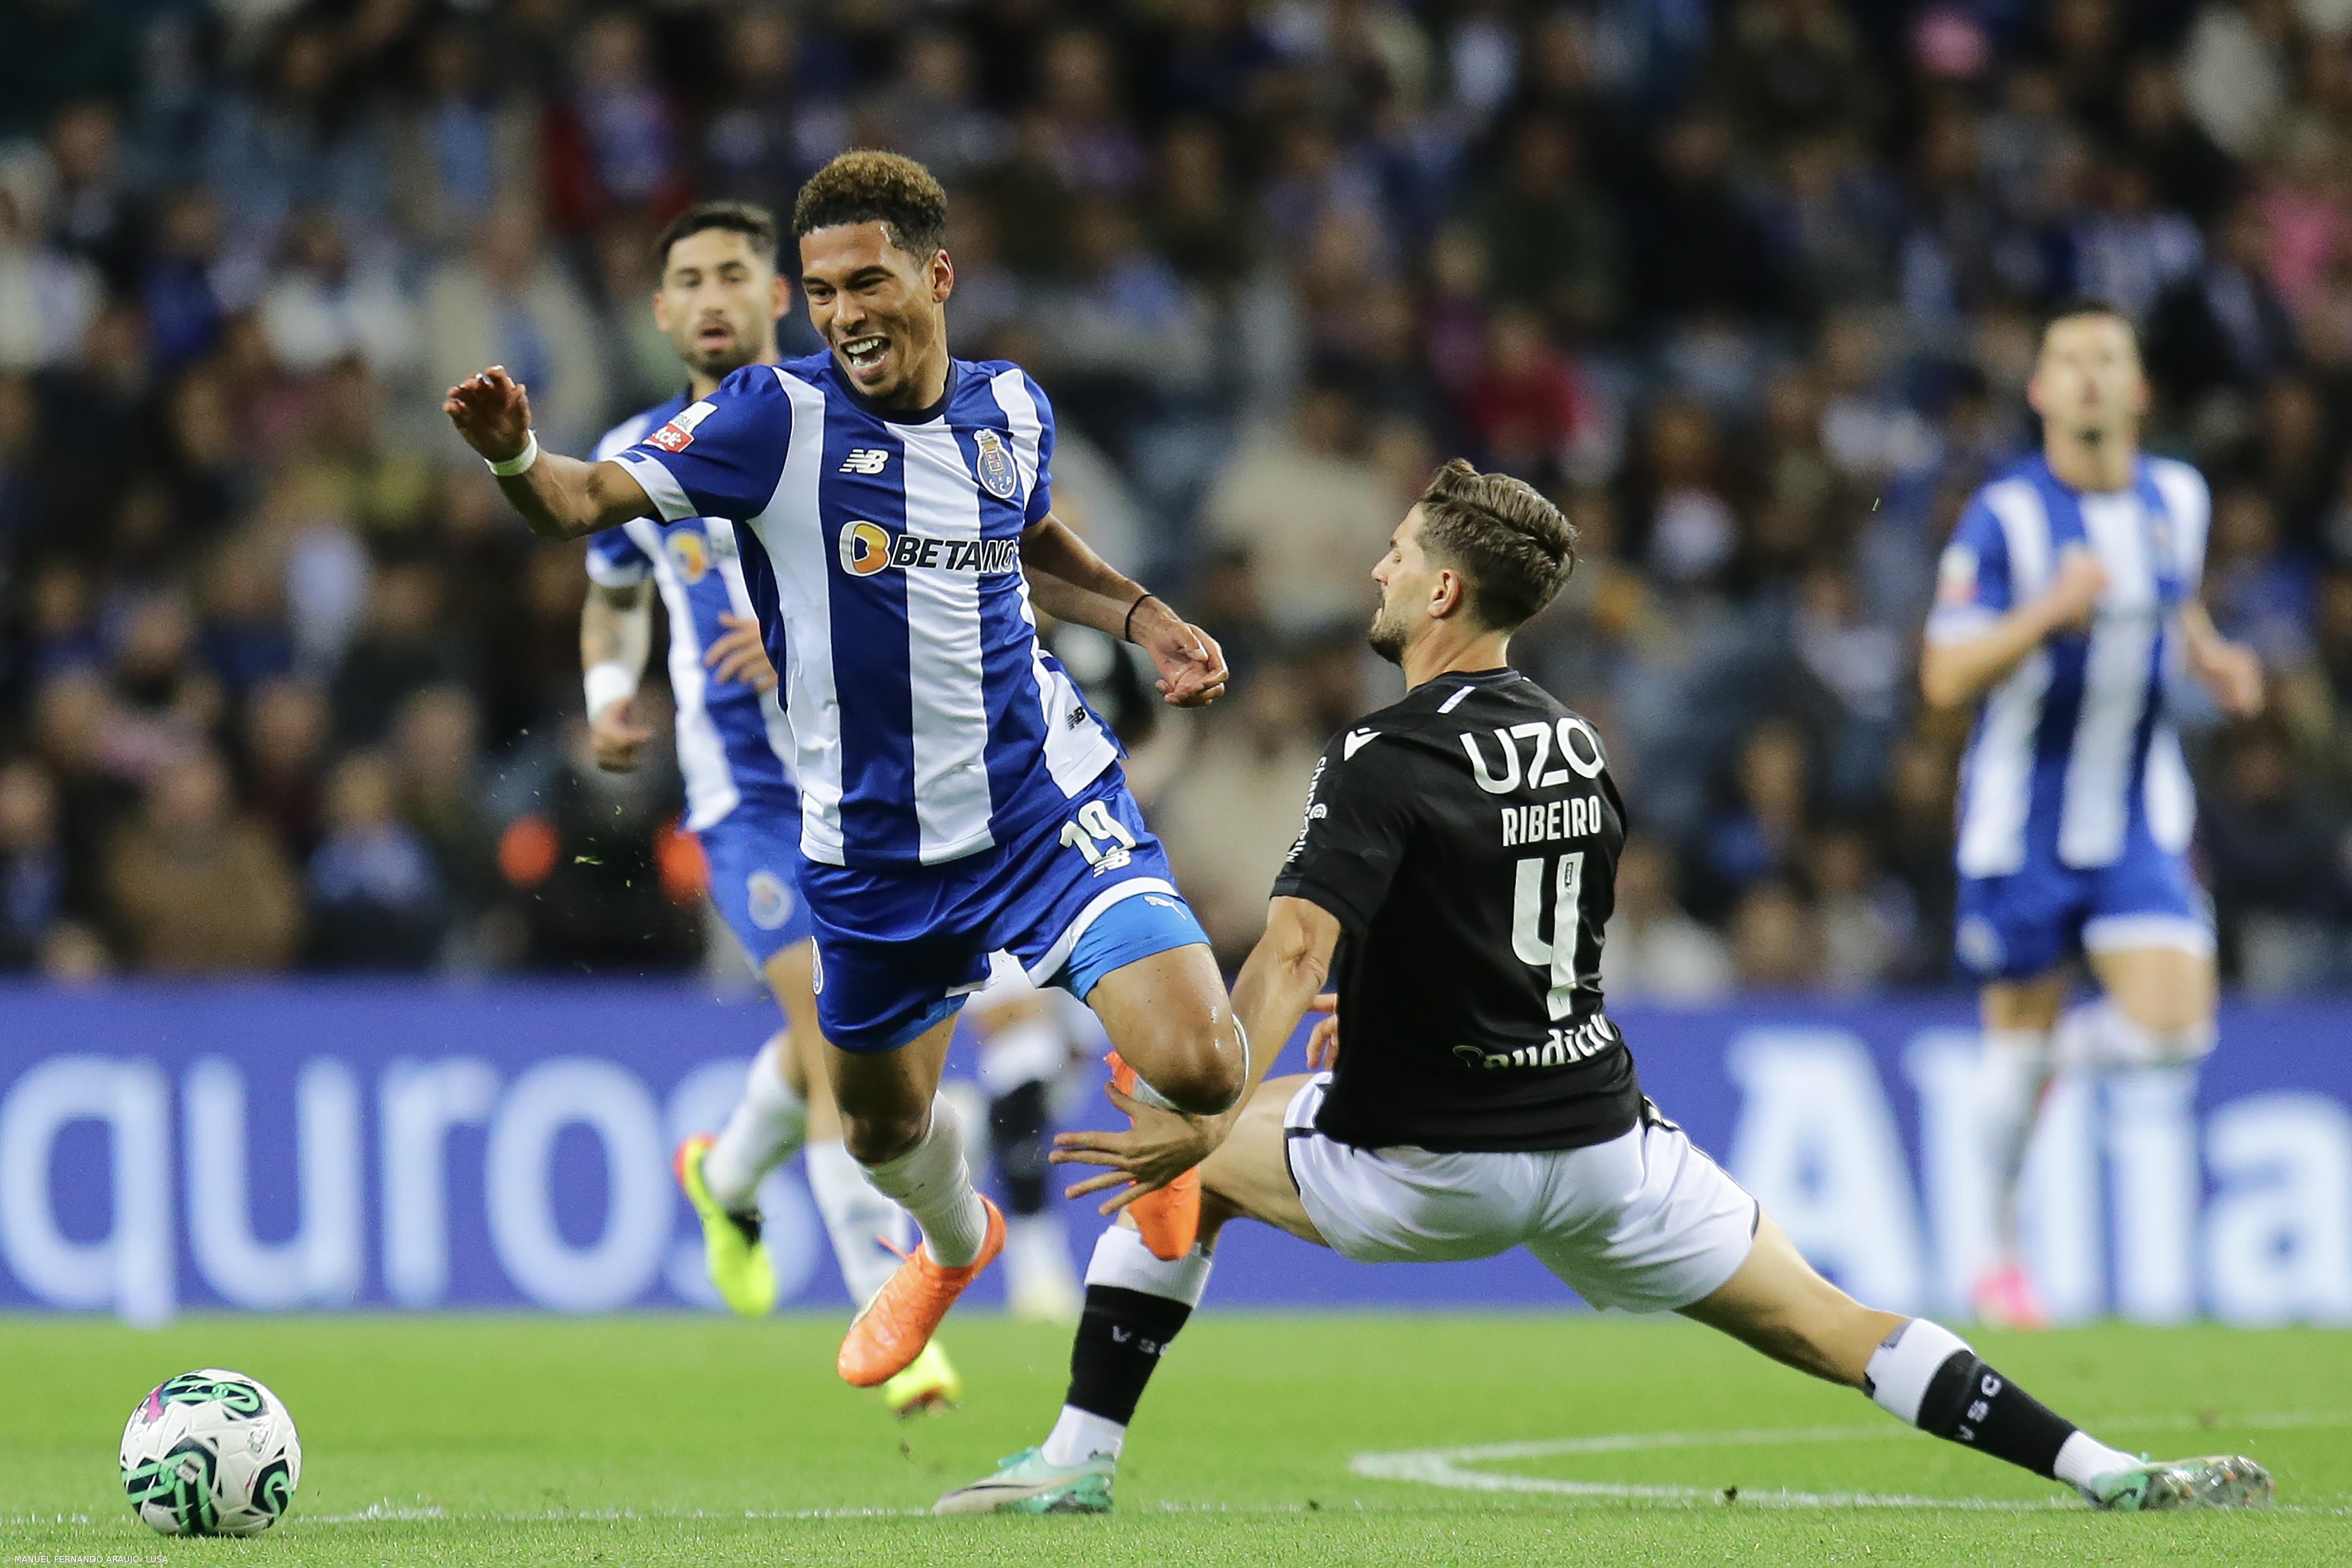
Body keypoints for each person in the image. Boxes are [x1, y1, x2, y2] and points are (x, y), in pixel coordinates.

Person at [935, 460, 2269, 1517]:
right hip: (1598, 1148)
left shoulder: (1379, 753)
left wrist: (1199, 1107)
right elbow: (1527, 941)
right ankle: (2104, 1468)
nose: (1378, 564)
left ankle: (1075, 1456)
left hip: (1430, 1170)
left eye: (1399, 551)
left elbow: (1290, 955)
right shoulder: (1577, 738)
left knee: (1190, 1141)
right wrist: (1402, 1006)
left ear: (1445, 592)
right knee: (1833, 1322)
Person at [445, 152, 1247, 1392]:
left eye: (867, 282)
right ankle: (952, 1241)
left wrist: (1142, 618)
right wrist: (513, 458)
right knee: (877, 1127)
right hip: (871, 843)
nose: (844, 314)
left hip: (1039, 804)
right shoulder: (772, 415)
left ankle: (1151, 1088)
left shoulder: (1012, 407)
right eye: (821, 292)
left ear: (937, 276)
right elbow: (584, 500)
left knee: (1207, 1060)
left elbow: (1021, 535)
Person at [580, 200, 957, 1416]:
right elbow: (612, 587)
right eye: (685, 277)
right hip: (747, 799)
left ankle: (725, 1170)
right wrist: (606, 690)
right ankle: (887, 1314)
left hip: (868, 783)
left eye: (732, 274)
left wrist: (803, 643)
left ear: (777, 297)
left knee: (856, 1051)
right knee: (844, 1055)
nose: (709, 297)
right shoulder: (637, 448)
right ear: (659, 310)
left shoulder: (840, 423)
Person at [1918, 301, 2263, 1328]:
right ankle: (1994, 1257)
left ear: (2138, 390)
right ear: (2037, 393)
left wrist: (2207, 651)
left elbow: (2173, 597)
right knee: (2009, 1042)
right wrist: (2044, 613)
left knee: (2173, 1030)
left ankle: (2053, 1064)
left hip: (2137, 809)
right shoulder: (2005, 518)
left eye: (2106, 360)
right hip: (2018, 817)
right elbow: (1942, 675)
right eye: (2065, 362)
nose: (2085, 378)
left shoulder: (2178, 497)